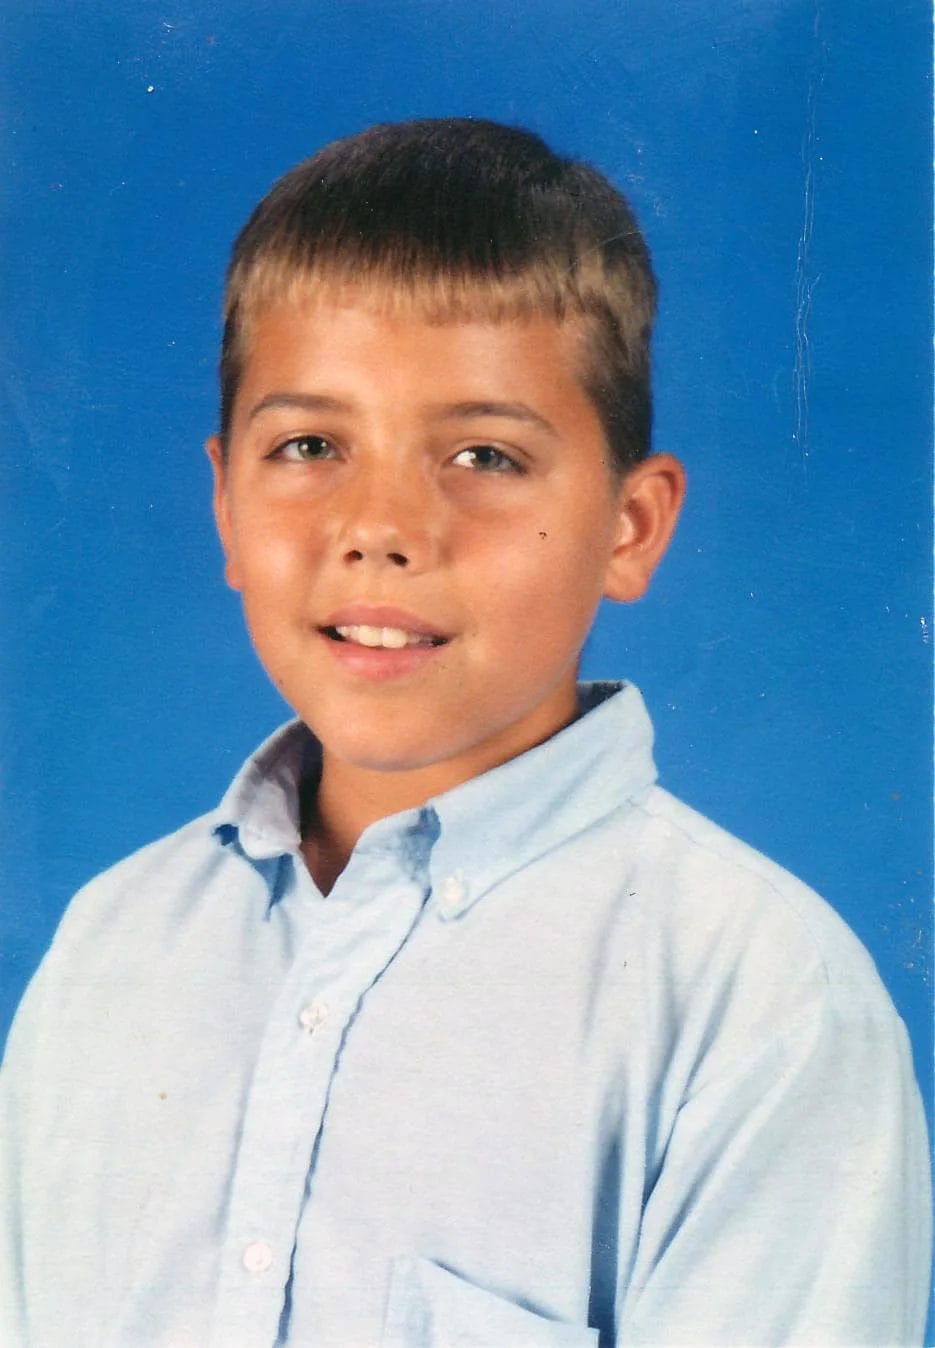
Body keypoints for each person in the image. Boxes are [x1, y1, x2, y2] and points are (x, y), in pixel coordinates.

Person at [0, 118, 929, 1348]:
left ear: (629, 528)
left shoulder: (756, 1003)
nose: (381, 527)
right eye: (309, 446)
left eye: (484, 454)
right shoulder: (113, 944)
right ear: (224, 503)